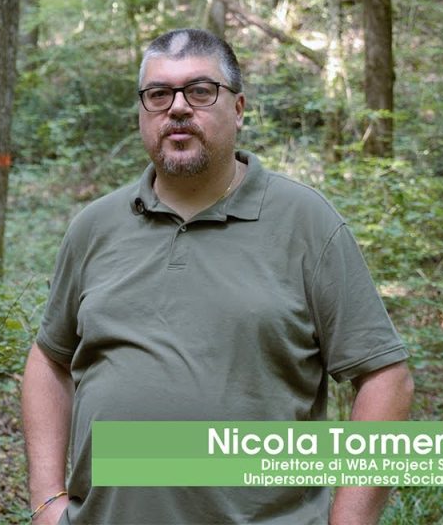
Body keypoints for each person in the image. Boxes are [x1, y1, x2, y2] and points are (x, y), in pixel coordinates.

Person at [21, 28, 413, 524]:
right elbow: (49, 358)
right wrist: (47, 500)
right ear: (142, 112)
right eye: (158, 94)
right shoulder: (95, 227)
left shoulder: (306, 222)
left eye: (200, 91)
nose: (178, 108)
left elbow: (386, 379)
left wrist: (350, 521)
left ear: (239, 109)